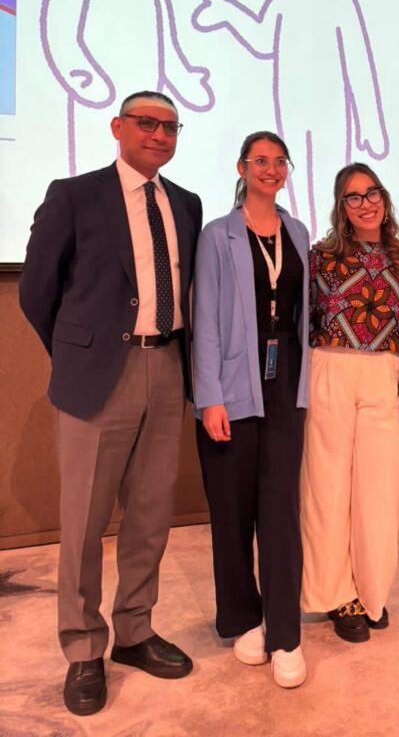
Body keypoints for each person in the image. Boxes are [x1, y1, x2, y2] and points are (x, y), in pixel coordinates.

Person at [19, 91, 201, 716]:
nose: (158, 134)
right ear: (118, 127)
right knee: (85, 523)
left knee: (150, 517)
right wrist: (79, 353)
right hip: (101, 375)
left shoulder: (185, 202)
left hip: (167, 364)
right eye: (146, 123)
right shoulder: (73, 194)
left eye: (169, 126)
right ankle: (82, 648)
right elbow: (37, 291)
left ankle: (134, 631)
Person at [193, 131, 309, 689]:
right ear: (242, 167)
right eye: (259, 161)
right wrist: (209, 395)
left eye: (278, 162)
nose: (270, 169)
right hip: (232, 382)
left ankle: (285, 632)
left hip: (286, 377)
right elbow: (206, 321)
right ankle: (243, 618)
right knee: (234, 509)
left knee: (282, 510)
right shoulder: (217, 235)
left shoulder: (299, 231)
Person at [301, 163, 399, 642]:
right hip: (330, 369)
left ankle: (373, 592)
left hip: (384, 374)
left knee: (378, 494)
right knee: (327, 493)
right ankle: (338, 596)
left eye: (372, 192)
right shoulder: (320, 259)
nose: (365, 203)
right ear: (341, 206)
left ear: (384, 197)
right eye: (353, 197)